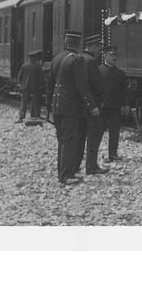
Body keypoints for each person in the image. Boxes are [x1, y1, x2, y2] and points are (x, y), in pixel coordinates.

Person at [50, 31, 97, 185]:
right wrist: (92, 106)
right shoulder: (76, 60)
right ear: (78, 44)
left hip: (57, 106)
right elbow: (82, 87)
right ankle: (66, 175)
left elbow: (49, 86)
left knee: (62, 140)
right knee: (70, 140)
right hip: (70, 107)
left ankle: (62, 171)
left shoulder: (56, 59)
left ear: (66, 42)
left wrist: (48, 107)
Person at [80, 36, 108, 174]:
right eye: (98, 46)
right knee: (94, 136)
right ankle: (91, 166)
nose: (99, 50)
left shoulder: (79, 58)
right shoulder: (91, 61)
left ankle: (75, 166)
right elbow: (97, 85)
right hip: (93, 105)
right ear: (91, 46)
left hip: (80, 104)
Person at [98, 45, 128, 163]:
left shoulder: (120, 73)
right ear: (105, 55)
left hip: (115, 107)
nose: (114, 57)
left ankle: (113, 154)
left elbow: (124, 91)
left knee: (114, 132)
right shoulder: (98, 70)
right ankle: (93, 156)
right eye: (112, 55)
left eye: (116, 55)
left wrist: (125, 104)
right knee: (98, 132)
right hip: (102, 107)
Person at [17, 50, 44, 121]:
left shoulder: (24, 65)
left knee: (24, 102)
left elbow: (19, 77)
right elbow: (41, 77)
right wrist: (41, 85)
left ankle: (21, 117)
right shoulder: (38, 66)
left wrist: (21, 84)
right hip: (35, 86)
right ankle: (36, 116)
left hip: (25, 86)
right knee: (36, 101)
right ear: (35, 58)